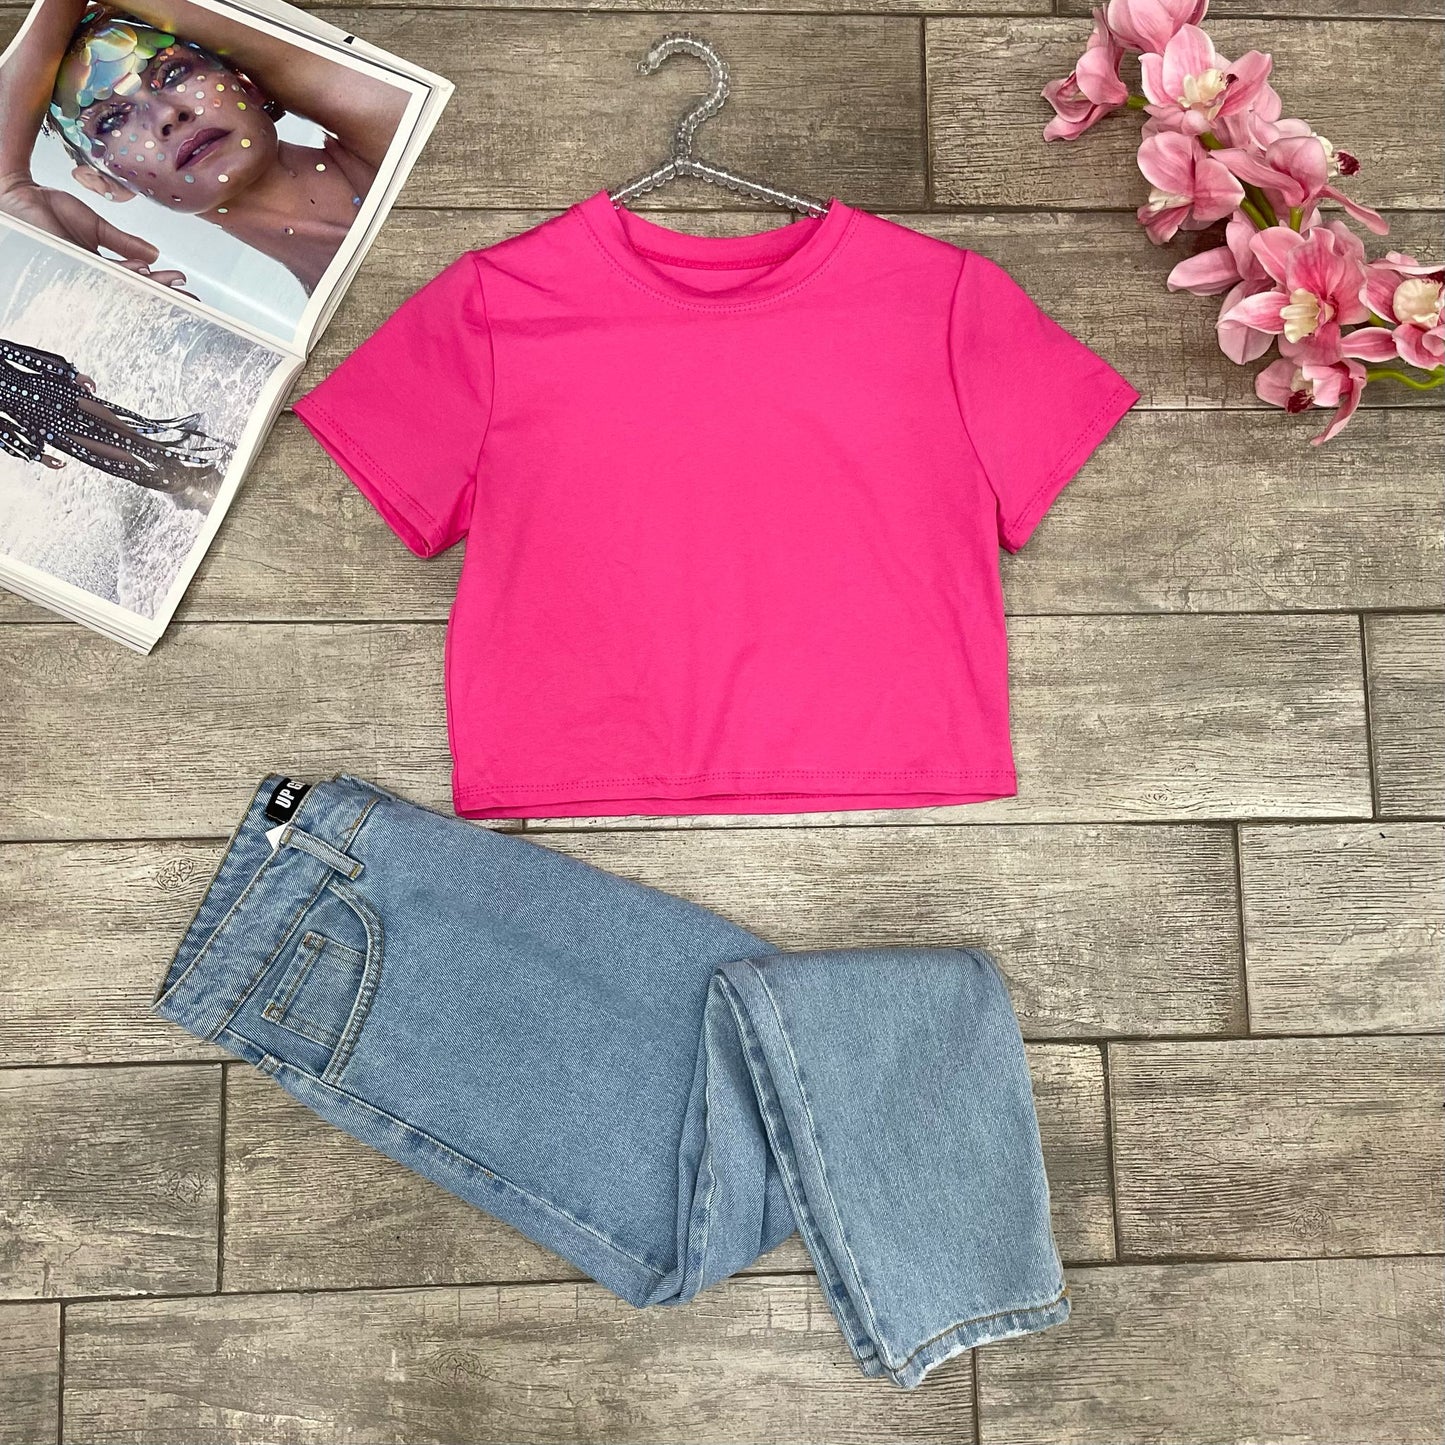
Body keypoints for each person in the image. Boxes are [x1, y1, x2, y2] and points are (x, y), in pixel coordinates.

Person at [0, 0, 408, 294]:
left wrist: (8, 181)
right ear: (104, 183)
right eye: (112, 120)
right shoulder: (305, 318)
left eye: (173, 73)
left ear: (246, 81)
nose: (166, 114)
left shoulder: (393, 129)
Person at [0, 335, 228, 503]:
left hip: (57, 392)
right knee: (119, 456)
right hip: (45, 425)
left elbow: (25, 356)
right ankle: (183, 484)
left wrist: (72, 374)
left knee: (129, 435)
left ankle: (198, 474)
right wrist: (35, 454)